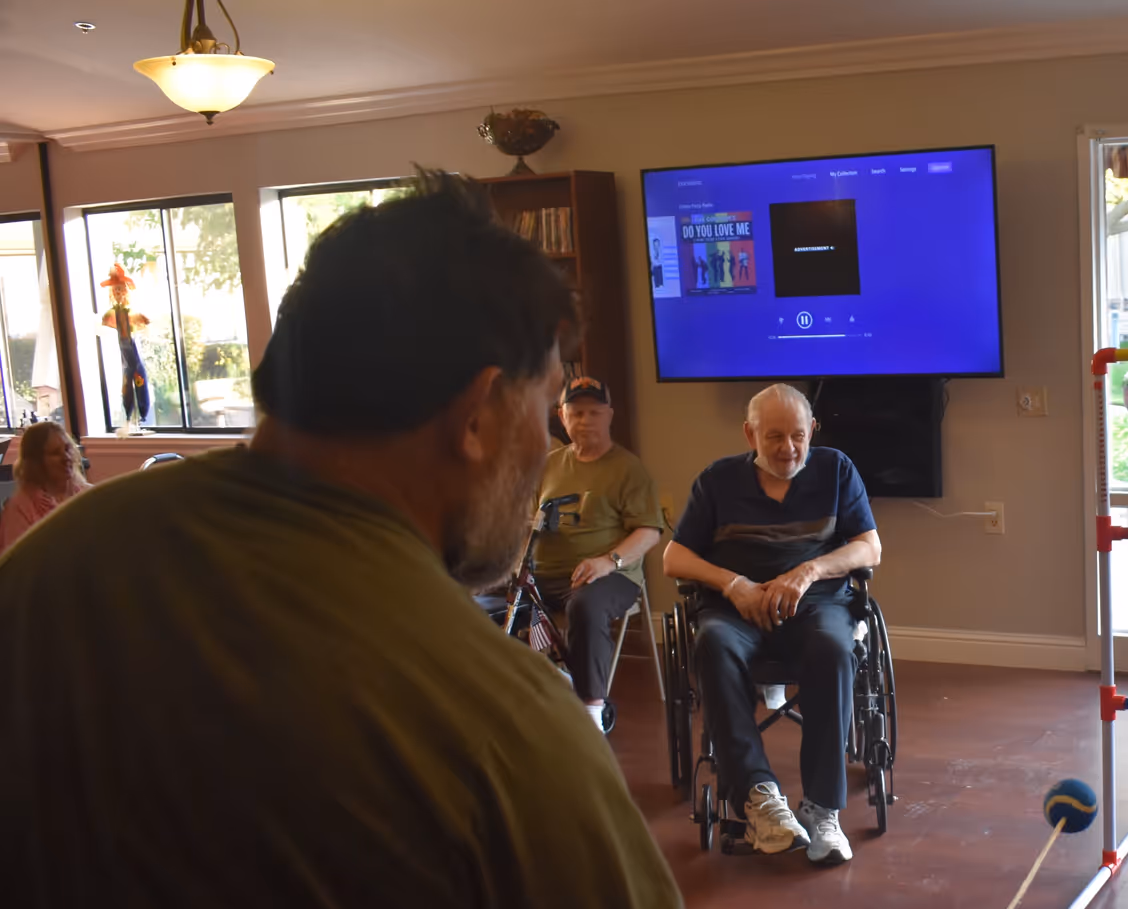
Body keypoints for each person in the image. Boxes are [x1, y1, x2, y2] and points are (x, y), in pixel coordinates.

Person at [0, 170, 681, 908]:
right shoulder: (507, 732)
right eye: (548, 403)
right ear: (479, 413)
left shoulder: (46, 566)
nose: (553, 435)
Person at [663, 383, 882, 866]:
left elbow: (870, 548)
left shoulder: (835, 470)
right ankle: (761, 800)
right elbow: (673, 557)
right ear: (750, 434)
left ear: (812, 431)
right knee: (713, 645)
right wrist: (735, 583)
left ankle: (823, 809)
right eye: (775, 437)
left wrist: (807, 572)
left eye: (798, 436)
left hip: (814, 604)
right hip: (735, 610)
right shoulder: (717, 481)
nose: (788, 449)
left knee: (833, 647)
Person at [532, 375, 668, 730]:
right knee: (487, 607)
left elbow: (649, 531)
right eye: (576, 413)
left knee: (586, 606)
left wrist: (608, 562)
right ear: (561, 416)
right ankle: (540, 689)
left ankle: (591, 710)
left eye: (594, 412)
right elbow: (526, 522)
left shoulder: (628, 469)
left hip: (610, 577)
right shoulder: (547, 465)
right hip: (543, 575)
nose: (585, 421)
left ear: (609, 415)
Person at [0, 421, 90, 553]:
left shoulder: (88, 494)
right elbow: (19, 567)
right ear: (36, 462)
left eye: (67, 449)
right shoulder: (20, 510)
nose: (66, 457)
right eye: (55, 453)